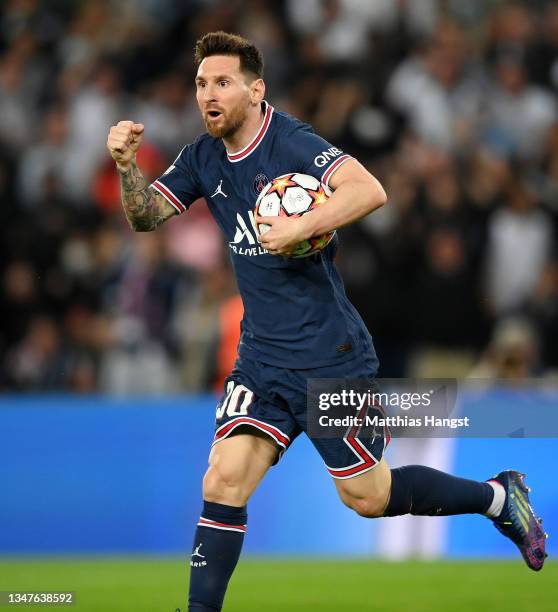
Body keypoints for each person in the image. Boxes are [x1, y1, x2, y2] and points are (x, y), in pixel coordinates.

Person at [107, 31, 547, 612]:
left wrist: (299, 224)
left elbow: (370, 190)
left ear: (255, 90)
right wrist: (124, 165)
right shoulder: (201, 158)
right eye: (200, 84)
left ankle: (497, 497)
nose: (207, 95)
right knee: (222, 481)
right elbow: (144, 217)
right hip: (261, 360)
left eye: (221, 83)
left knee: (368, 495)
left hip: (330, 356)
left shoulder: (291, 142)